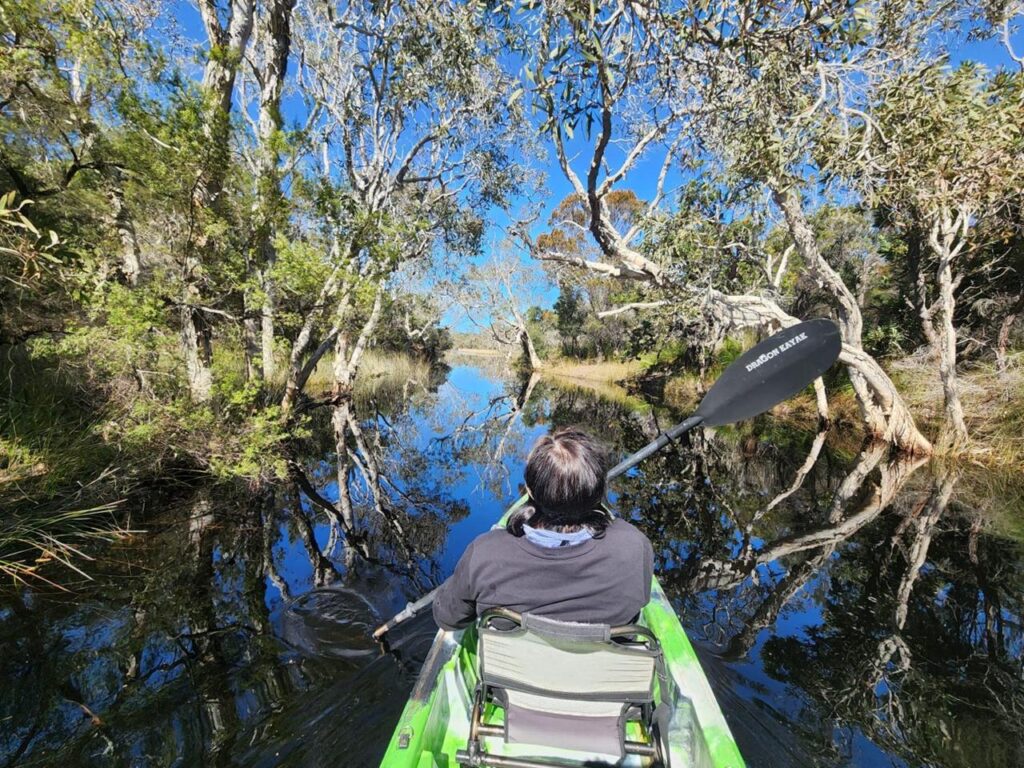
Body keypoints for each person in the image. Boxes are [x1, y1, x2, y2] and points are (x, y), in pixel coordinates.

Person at [432, 427, 654, 630]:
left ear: (529, 490)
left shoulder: (485, 555)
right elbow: (641, 601)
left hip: (511, 672)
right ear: (599, 492)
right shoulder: (634, 546)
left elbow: (448, 619)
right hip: (602, 672)